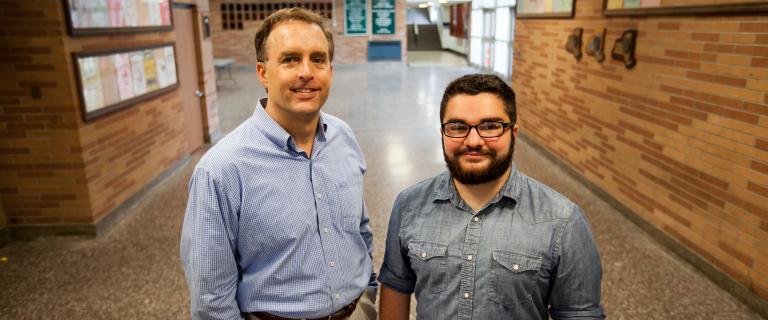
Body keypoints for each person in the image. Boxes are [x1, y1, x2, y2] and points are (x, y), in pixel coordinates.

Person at [180, 8, 377, 320]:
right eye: (290, 59)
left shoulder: (343, 137)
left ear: (330, 70)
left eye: (318, 59)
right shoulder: (221, 169)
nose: (306, 72)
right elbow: (210, 295)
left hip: (358, 311)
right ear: (262, 72)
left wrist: (369, 290)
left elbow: (359, 228)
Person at [378, 74, 604, 319]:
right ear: (442, 132)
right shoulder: (409, 205)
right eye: (457, 127)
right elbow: (396, 285)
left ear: (513, 133)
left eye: (490, 127)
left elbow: (579, 313)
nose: (473, 141)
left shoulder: (562, 220)